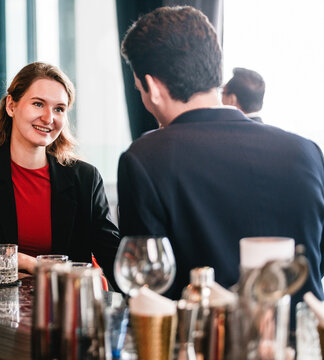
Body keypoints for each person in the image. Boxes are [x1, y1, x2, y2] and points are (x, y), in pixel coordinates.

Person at [117, 5, 324, 310]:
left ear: (153, 87)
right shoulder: (306, 151)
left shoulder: (144, 159)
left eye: (140, 90)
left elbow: (146, 291)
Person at [0, 62, 120, 281]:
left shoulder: (85, 178)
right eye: (38, 104)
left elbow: (112, 257)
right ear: (11, 106)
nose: (48, 118)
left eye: (59, 109)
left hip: (64, 307)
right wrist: (20, 260)